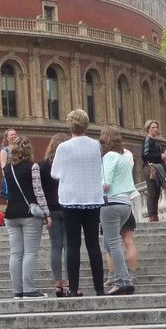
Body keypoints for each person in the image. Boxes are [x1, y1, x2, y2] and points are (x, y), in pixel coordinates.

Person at [51, 109, 105, 296]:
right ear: (86, 124)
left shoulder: (63, 147)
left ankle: (73, 288)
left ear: (70, 125)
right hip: (92, 197)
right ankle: (100, 288)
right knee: (93, 244)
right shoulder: (96, 145)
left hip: (71, 198)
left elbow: (55, 173)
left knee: (73, 244)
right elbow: (99, 167)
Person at [3, 135, 50, 298]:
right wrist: (47, 213)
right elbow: (38, 192)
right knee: (30, 253)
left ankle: (17, 290)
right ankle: (29, 289)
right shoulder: (33, 166)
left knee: (15, 253)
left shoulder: (7, 168)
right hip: (29, 213)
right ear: (29, 149)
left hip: (10, 214)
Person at [98, 126, 137, 296]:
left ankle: (122, 280)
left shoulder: (109, 157)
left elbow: (106, 181)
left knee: (112, 242)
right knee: (109, 242)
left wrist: (97, 192)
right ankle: (122, 279)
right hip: (125, 203)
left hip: (111, 202)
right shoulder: (122, 157)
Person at [40, 133, 69, 296]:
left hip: (51, 210)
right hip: (68, 207)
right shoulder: (69, 164)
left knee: (55, 247)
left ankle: (58, 283)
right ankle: (71, 282)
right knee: (69, 245)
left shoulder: (43, 165)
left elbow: (40, 191)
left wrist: (45, 213)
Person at [141, 120, 166, 222]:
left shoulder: (157, 141)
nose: (155, 129)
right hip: (150, 168)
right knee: (152, 191)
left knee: (157, 192)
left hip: (158, 167)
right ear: (148, 129)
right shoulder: (148, 140)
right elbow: (144, 155)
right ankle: (152, 215)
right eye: (153, 127)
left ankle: (155, 214)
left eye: (156, 127)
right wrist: (160, 156)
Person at [0, 128, 18, 201]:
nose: (14, 136)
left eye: (15, 134)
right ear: (7, 138)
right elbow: (3, 165)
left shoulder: (20, 149)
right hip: (10, 177)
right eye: (12, 135)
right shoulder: (5, 150)